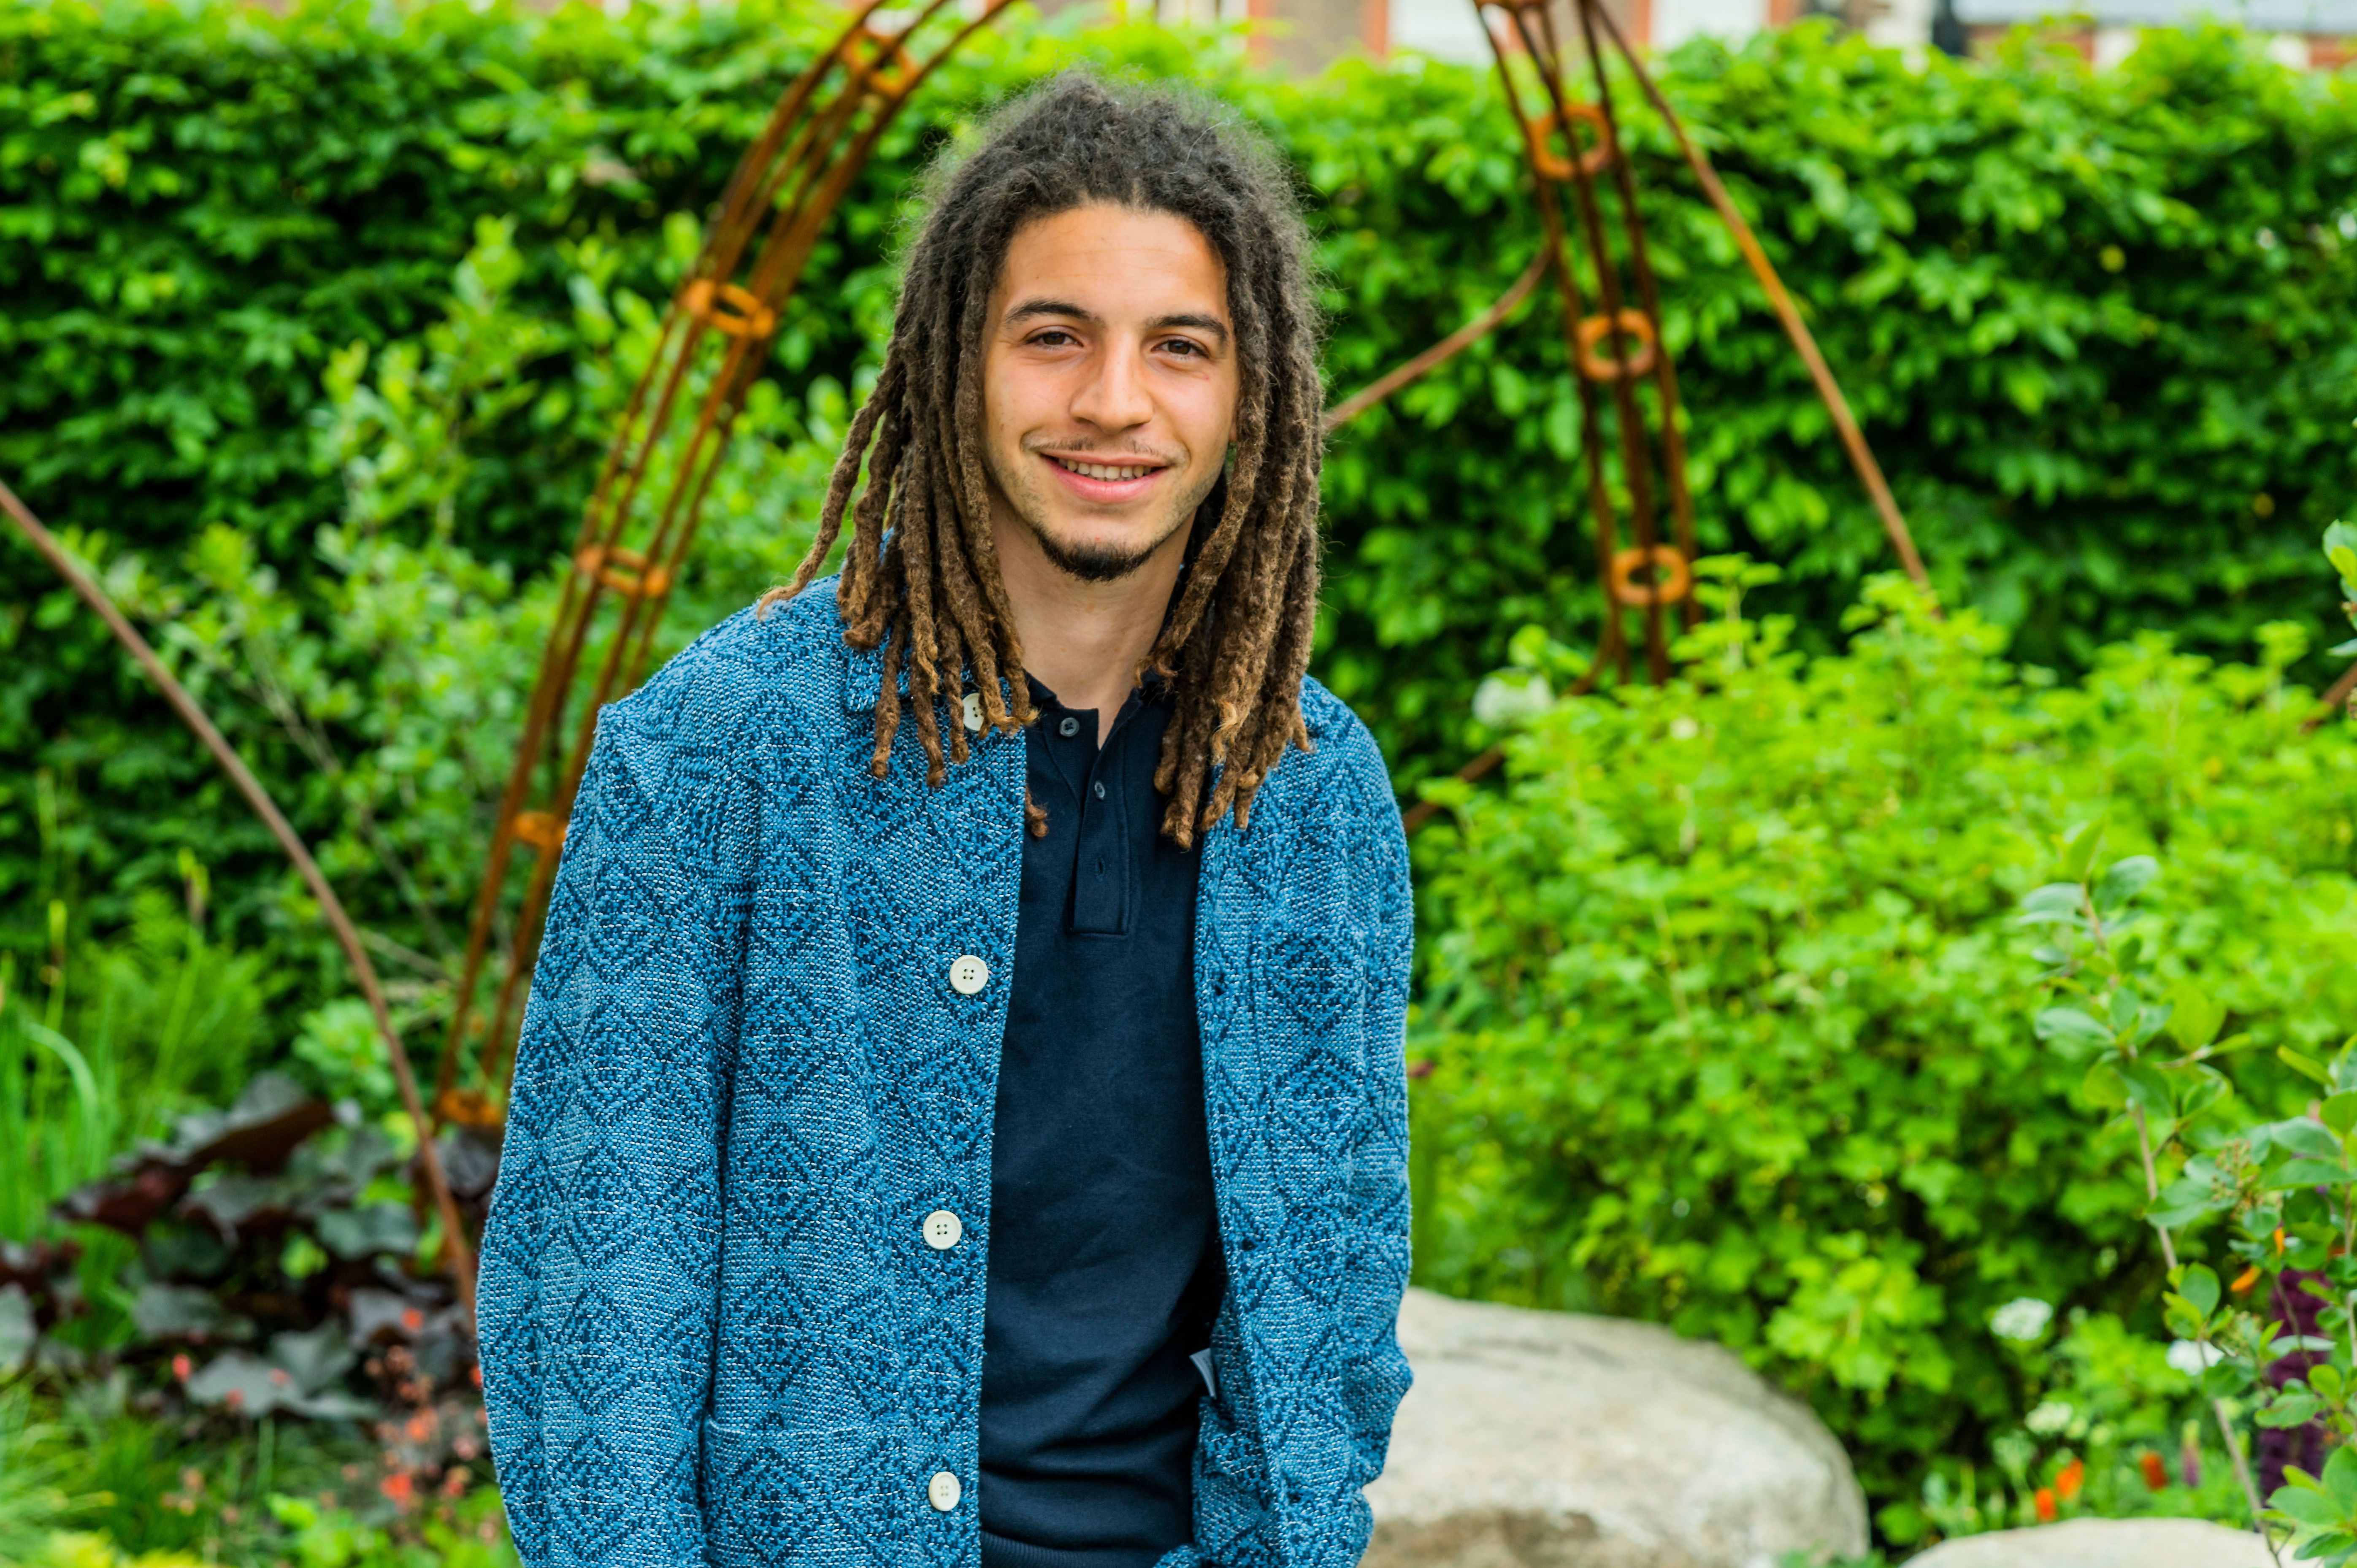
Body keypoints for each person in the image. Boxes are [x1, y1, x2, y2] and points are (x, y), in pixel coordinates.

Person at [475, 73, 1413, 1568]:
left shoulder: (1308, 790)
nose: (1114, 400)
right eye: (1055, 337)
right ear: (953, 363)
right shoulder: (716, 753)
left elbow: (1335, 1291)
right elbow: (595, 1303)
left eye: (1181, 347)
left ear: (1253, 397)